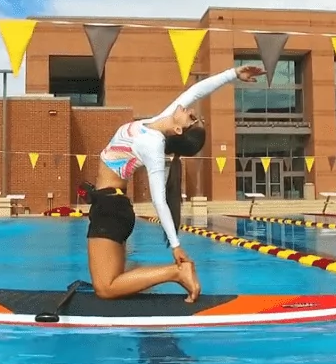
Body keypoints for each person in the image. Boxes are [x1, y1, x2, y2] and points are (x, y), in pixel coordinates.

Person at [83, 64, 265, 303]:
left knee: (105, 288)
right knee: (114, 281)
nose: (190, 110)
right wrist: (233, 74)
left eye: (192, 118)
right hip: (110, 205)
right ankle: (174, 272)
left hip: (110, 209)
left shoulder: (154, 146)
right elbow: (197, 91)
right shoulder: (160, 122)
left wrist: (175, 245)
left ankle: (176, 272)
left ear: (179, 129)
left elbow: (159, 200)